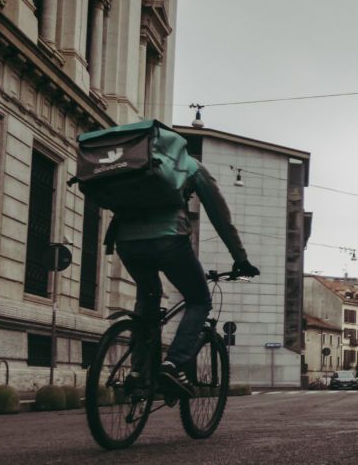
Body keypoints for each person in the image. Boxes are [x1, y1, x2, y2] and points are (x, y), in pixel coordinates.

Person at [108, 162, 259, 396]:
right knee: (199, 300)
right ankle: (172, 364)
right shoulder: (190, 165)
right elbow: (220, 217)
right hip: (169, 240)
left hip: (126, 241)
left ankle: (138, 372)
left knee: (148, 297)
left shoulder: (137, 160)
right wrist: (241, 259)